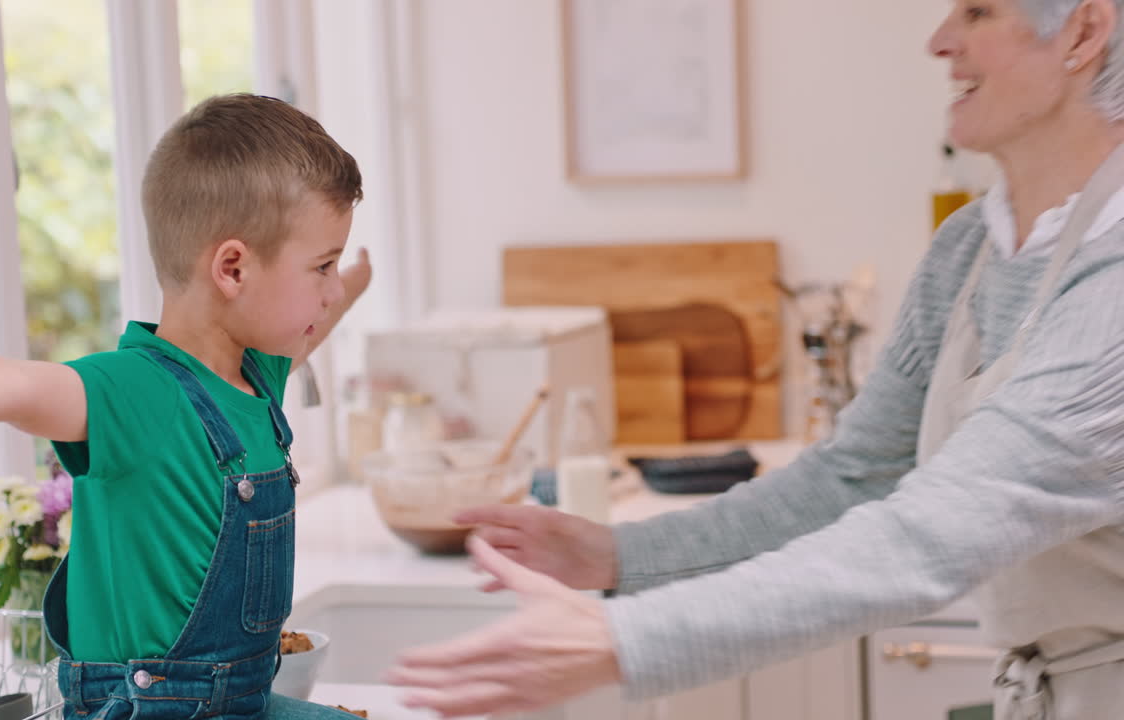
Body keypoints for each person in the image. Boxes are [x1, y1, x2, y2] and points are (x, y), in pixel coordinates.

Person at [385, 1, 1124, 718]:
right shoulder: (969, 248)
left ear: (1085, 31)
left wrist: (626, 639)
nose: (938, 40)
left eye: (977, 12)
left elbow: (934, 531)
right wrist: (620, 556)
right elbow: (852, 479)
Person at [0, 94, 370, 719]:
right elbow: (6, 384)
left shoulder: (255, 377)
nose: (332, 289)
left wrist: (352, 281)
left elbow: (321, 317)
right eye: (322, 266)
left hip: (242, 704)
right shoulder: (136, 393)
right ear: (232, 268)